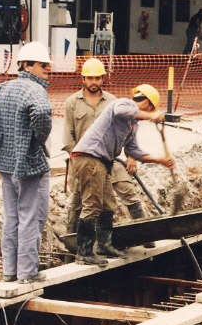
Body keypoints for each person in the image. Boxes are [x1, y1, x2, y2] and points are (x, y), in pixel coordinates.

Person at [0, 42, 53, 283]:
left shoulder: (2, 88)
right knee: (30, 217)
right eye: (43, 64)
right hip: (29, 164)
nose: (48, 68)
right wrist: (36, 139)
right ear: (27, 65)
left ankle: (9, 271)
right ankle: (27, 273)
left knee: (11, 217)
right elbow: (40, 114)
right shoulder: (35, 90)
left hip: (6, 165)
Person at [69, 84, 174, 265]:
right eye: (150, 109)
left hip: (103, 161)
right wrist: (152, 116)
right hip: (89, 157)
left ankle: (104, 246)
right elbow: (120, 111)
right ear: (147, 104)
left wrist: (161, 160)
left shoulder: (133, 125)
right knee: (92, 204)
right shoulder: (124, 104)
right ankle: (84, 252)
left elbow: (134, 151)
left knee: (108, 205)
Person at [62, 58, 152, 252]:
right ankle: (71, 247)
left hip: (110, 159)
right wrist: (76, 160)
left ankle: (144, 236)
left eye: (97, 78)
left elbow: (129, 130)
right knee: (79, 203)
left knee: (127, 193)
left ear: (103, 78)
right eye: (90, 78)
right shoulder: (72, 103)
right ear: (83, 79)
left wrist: (131, 156)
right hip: (84, 160)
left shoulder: (113, 101)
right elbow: (68, 137)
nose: (93, 82)